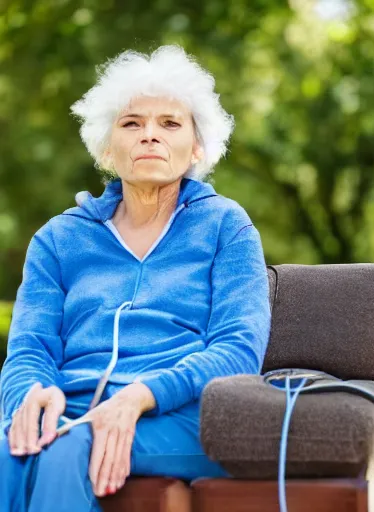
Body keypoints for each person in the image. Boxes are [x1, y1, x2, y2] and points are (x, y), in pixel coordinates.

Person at [0, 45, 271, 512]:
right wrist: (31, 393)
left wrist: (139, 397)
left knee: (65, 447)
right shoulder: (58, 239)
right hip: (72, 407)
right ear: (107, 147)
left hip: (180, 413)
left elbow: (238, 348)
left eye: (170, 123)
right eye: (131, 123)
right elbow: (29, 349)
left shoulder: (227, 226)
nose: (150, 135)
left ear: (198, 147)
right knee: (12, 448)